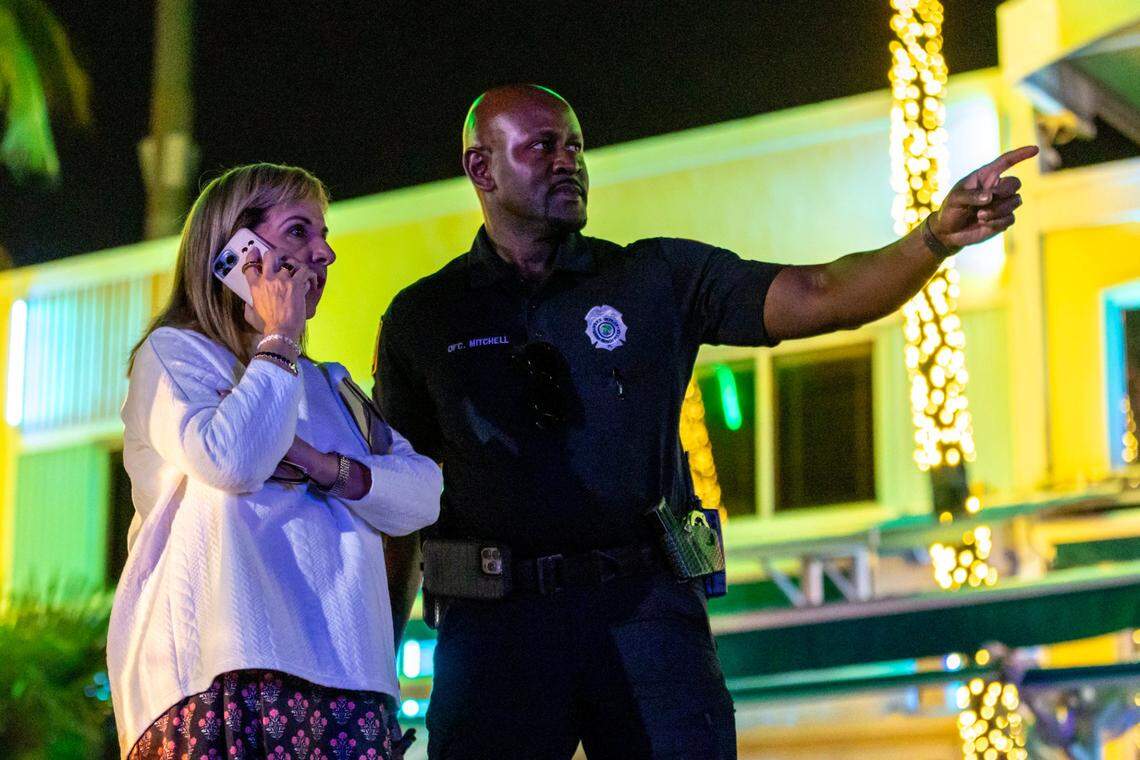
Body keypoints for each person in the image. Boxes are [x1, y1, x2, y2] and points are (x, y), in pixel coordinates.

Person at [374, 84, 1036, 759]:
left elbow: (824, 296)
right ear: (481, 168)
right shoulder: (426, 316)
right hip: (497, 633)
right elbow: (395, 506)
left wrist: (932, 240)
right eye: (542, 146)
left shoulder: (655, 275)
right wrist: (375, 672)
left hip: (648, 616)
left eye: (575, 145)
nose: (568, 161)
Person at [108, 163, 441, 760]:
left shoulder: (331, 386)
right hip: (222, 676)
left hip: (348, 676)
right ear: (236, 253)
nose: (326, 253)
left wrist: (320, 464)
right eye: (299, 233)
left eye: (324, 233)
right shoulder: (176, 356)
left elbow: (422, 494)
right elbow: (233, 458)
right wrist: (279, 338)